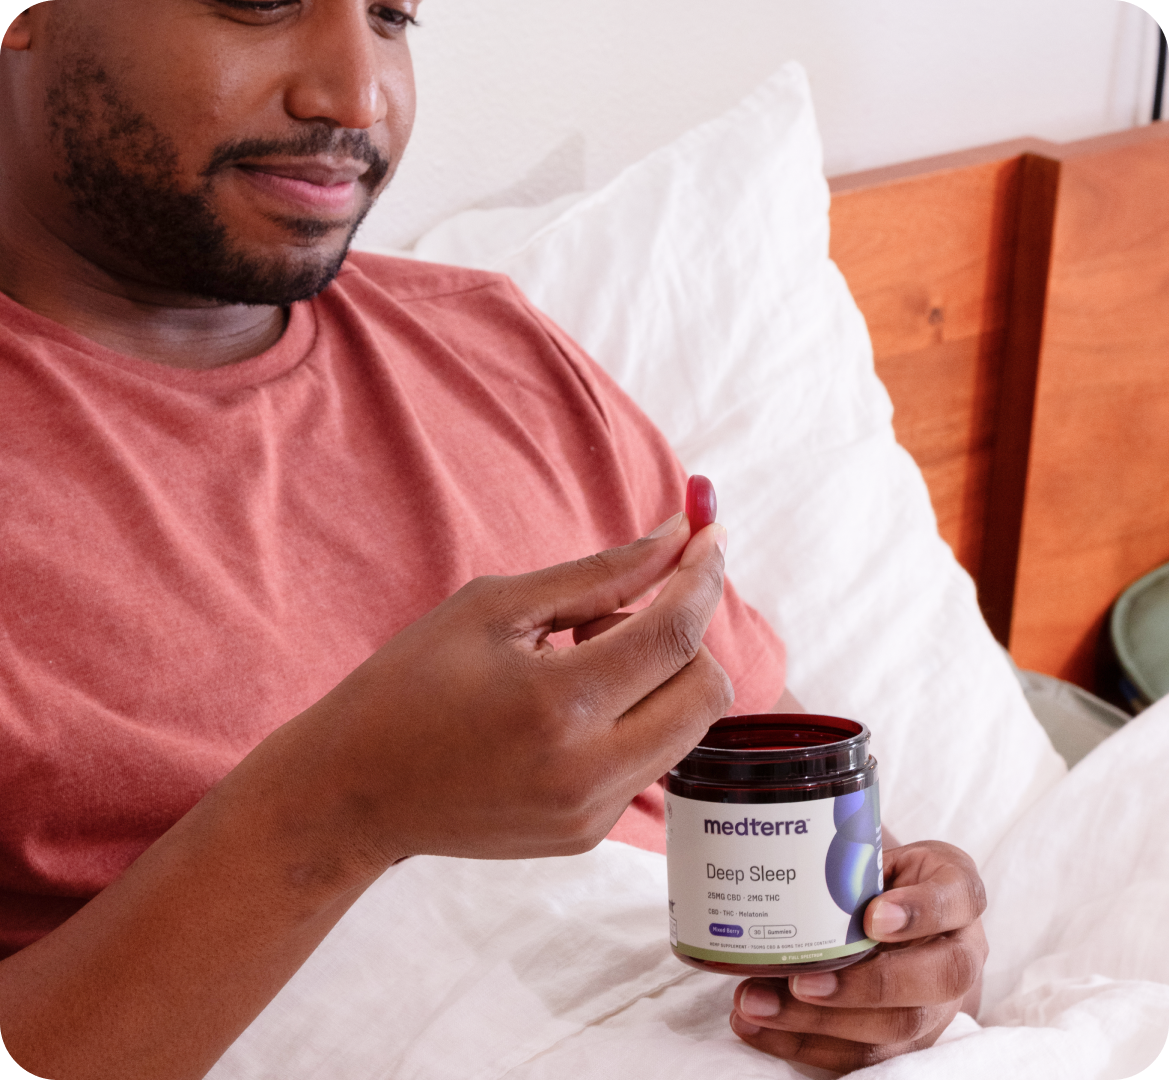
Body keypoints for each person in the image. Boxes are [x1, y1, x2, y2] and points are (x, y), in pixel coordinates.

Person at [0, 3, 988, 1077]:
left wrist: (898, 964)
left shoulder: (499, 350)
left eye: (392, 16)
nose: (357, 94)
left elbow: (777, 833)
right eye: (262, 0)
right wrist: (340, 809)